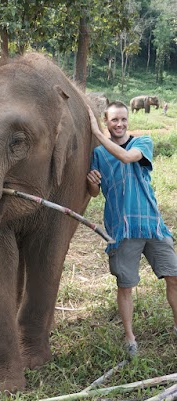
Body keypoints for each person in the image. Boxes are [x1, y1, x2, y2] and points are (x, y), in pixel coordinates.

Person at [87, 101, 177, 357]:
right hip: (122, 229)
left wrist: (96, 134)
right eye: (114, 120)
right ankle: (130, 338)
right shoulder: (98, 154)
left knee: (174, 277)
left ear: (129, 121)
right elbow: (94, 194)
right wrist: (92, 182)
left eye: (123, 119)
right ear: (107, 122)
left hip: (152, 225)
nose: (120, 124)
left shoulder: (143, 142)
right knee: (125, 285)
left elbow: (126, 157)